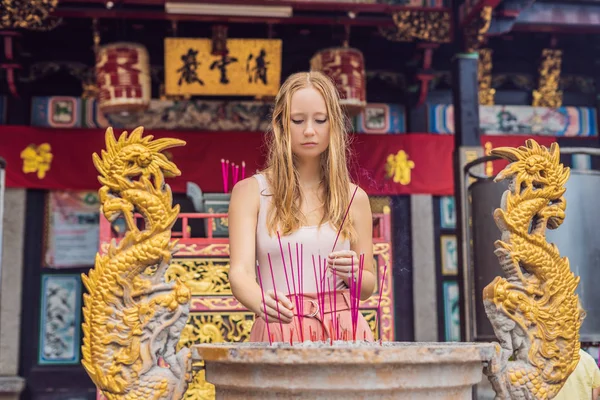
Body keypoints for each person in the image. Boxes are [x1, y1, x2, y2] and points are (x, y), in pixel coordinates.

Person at [228, 71, 376, 343]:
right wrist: (260, 302)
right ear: (281, 125)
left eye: (320, 120)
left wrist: (356, 274)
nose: (309, 130)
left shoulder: (355, 198)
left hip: (345, 331)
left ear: (334, 125)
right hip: (281, 324)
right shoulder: (250, 192)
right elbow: (240, 272)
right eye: (298, 120)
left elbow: (368, 286)